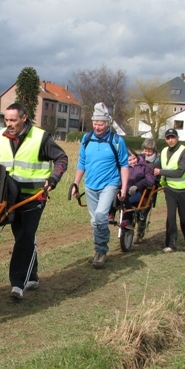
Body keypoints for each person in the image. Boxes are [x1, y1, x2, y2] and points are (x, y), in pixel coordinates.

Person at [0, 102, 68, 300]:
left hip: (34, 196)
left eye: (13, 120)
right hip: (9, 197)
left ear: (24, 118)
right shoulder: (1, 136)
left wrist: (53, 179)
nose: (8, 123)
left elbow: (62, 158)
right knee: (21, 235)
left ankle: (18, 284)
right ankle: (33, 276)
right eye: (6, 119)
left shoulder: (40, 137)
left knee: (25, 236)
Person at [72, 103, 129, 269]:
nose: (97, 126)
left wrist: (124, 187)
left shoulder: (117, 141)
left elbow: (124, 165)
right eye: (95, 123)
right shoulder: (86, 139)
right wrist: (75, 183)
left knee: (100, 216)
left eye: (101, 123)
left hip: (109, 184)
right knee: (94, 221)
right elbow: (82, 162)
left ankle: (102, 251)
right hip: (90, 185)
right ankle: (98, 250)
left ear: (108, 123)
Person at [153, 128, 185, 253]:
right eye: (168, 138)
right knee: (171, 217)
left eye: (173, 137)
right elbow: (157, 164)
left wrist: (160, 172)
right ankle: (170, 244)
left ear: (177, 138)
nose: (170, 140)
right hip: (170, 189)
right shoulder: (164, 151)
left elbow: (180, 172)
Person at [119, 149, 155, 226]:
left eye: (134, 158)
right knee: (116, 196)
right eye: (130, 160)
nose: (133, 161)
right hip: (124, 192)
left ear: (137, 157)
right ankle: (112, 215)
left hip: (139, 193)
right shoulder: (123, 169)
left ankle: (129, 219)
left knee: (126, 200)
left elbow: (150, 180)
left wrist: (137, 186)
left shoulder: (145, 167)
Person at [135, 138, 160, 242]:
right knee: (135, 210)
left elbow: (156, 177)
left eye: (150, 151)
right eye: (146, 150)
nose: (147, 153)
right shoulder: (138, 158)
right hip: (137, 189)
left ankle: (139, 235)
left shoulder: (157, 161)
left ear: (154, 150)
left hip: (149, 191)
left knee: (143, 213)